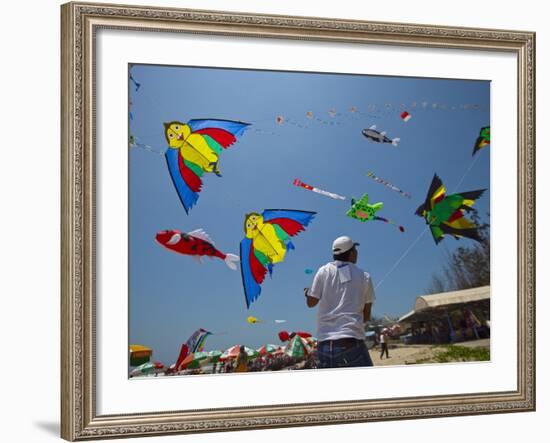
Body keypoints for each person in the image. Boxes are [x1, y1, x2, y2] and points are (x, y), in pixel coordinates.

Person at [305, 236, 375, 369]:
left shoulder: (323, 271)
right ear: (351, 253)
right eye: (355, 249)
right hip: (351, 343)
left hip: (324, 346)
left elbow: (311, 303)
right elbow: (366, 316)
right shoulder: (365, 277)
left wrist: (307, 293)